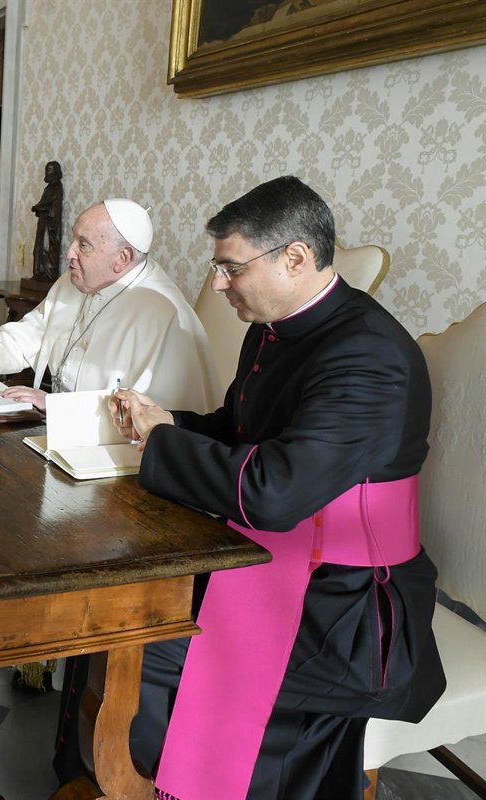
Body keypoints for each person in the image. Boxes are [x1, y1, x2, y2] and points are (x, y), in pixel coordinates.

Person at [105, 176, 444, 799]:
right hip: (276, 558)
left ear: (294, 257)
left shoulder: (369, 355)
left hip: (347, 608)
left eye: (231, 267)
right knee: (120, 603)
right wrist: (165, 424)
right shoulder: (273, 327)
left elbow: (272, 493)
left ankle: (143, 786)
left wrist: (163, 443)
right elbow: (239, 431)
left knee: (144, 646)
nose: (217, 283)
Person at [0, 199, 221, 414]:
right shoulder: (74, 283)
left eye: (83, 245)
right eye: (74, 239)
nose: (69, 253)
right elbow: (26, 339)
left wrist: (57, 406)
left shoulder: (163, 315)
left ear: (123, 258)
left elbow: (151, 417)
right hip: (59, 431)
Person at [30, 161, 64, 283]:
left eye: (49, 170)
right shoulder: (49, 188)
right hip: (43, 222)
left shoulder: (56, 187)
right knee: (39, 248)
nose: (47, 172)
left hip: (50, 225)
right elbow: (44, 203)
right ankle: (38, 272)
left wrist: (39, 208)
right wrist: (38, 207)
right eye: (46, 170)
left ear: (55, 172)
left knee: (46, 248)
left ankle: (48, 274)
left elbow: (52, 206)